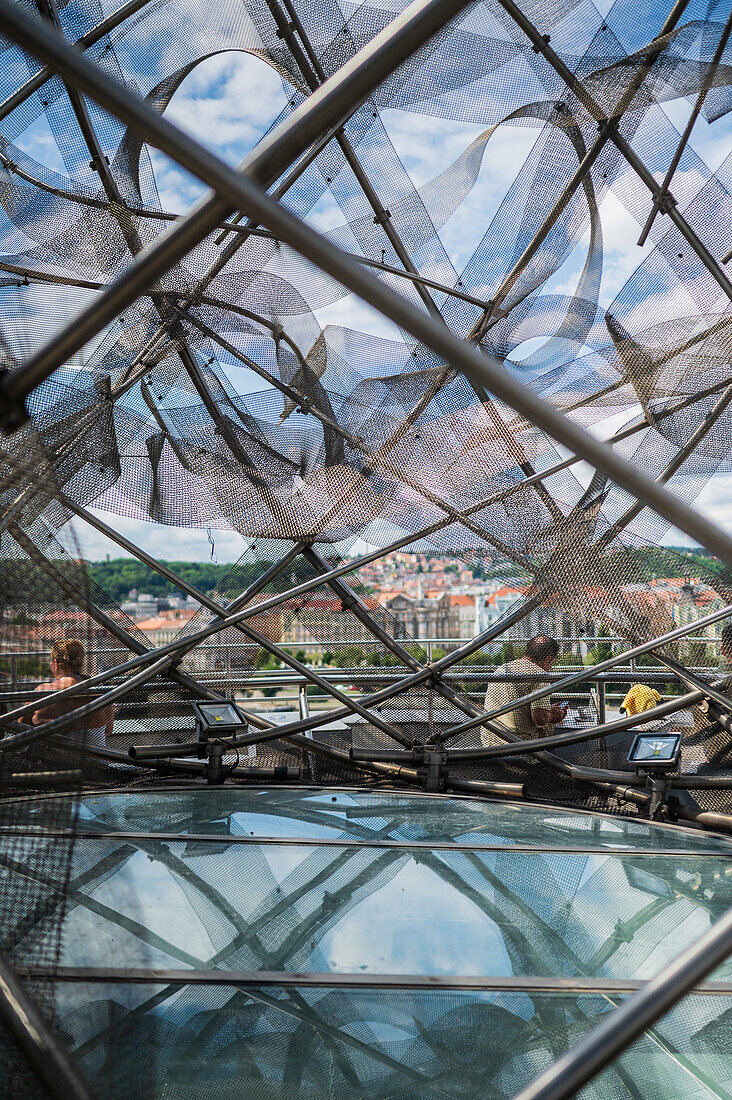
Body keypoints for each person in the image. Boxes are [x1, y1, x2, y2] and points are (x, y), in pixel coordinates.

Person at [481, 636, 568, 745]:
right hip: (519, 745)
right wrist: (554, 715)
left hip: (490, 741)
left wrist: (547, 710)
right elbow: (539, 719)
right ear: (547, 660)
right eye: (552, 663)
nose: (551, 667)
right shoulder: (540, 675)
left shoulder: (502, 669)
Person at [32, 639, 113, 746]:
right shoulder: (100, 688)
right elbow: (108, 730)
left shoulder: (45, 690)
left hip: (62, 760)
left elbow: (22, 725)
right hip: (99, 759)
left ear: (55, 663)